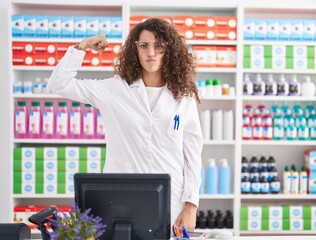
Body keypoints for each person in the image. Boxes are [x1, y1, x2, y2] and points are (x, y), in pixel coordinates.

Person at [48, 18, 203, 232]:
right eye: (144, 45)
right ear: (135, 49)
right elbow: (59, 83)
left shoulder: (183, 96)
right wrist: (83, 46)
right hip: (119, 201)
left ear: (169, 50)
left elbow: (192, 155)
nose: (151, 52)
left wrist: (191, 204)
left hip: (171, 203)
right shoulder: (114, 90)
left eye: (158, 45)